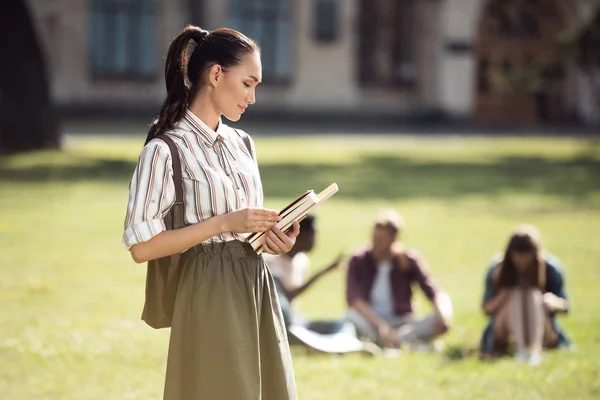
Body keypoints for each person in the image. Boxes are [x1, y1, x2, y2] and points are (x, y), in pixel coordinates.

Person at [122, 25, 299, 400]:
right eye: (248, 83)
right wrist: (223, 223)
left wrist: (274, 240)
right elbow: (141, 247)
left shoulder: (243, 144)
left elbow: (244, 233)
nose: (252, 97)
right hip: (207, 289)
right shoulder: (165, 148)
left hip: (255, 283)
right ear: (216, 74)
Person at [345, 210, 453, 349]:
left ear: (393, 239)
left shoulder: (408, 260)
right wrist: (381, 326)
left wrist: (443, 315)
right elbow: (355, 301)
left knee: (435, 320)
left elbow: (433, 291)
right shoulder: (358, 260)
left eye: (381, 241)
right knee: (350, 317)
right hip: (372, 321)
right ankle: (406, 343)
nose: (376, 245)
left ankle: (391, 343)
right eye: (374, 239)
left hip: (402, 321)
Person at [480, 224, 571, 364]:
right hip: (505, 329)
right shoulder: (497, 268)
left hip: (542, 325)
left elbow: (566, 306)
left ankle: (534, 351)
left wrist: (553, 301)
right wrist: (503, 297)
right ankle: (522, 350)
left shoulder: (550, 267)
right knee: (516, 294)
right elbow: (486, 309)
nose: (522, 265)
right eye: (517, 260)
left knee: (532, 294)